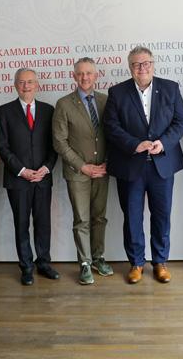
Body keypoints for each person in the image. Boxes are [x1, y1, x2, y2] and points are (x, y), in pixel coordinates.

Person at [103, 46, 183, 284]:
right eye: (137, 64)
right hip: (130, 166)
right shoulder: (117, 92)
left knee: (162, 216)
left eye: (146, 63)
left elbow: (181, 121)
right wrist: (134, 144)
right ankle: (136, 263)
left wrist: (164, 142)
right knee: (132, 217)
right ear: (130, 67)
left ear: (153, 64)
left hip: (162, 165)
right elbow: (111, 126)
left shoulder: (170, 88)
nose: (142, 68)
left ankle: (160, 262)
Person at [0, 68, 58, 285]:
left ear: (37, 84)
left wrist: (46, 168)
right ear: (15, 85)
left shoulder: (49, 111)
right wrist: (21, 170)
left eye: (30, 82)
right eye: (22, 82)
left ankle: (44, 263)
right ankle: (26, 267)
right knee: (21, 224)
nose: (26, 86)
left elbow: (55, 145)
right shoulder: (4, 111)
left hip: (43, 178)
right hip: (18, 180)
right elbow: (2, 147)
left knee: (43, 223)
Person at [53, 58, 112, 285]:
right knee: (82, 220)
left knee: (99, 217)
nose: (85, 77)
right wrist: (82, 166)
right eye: (80, 74)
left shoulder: (106, 101)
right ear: (74, 76)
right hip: (78, 172)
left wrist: (107, 162)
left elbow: (112, 135)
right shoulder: (64, 104)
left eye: (89, 73)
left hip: (102, 170)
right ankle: (85, 263)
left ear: (96, 75)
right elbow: (60, 141)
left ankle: (98, 258)